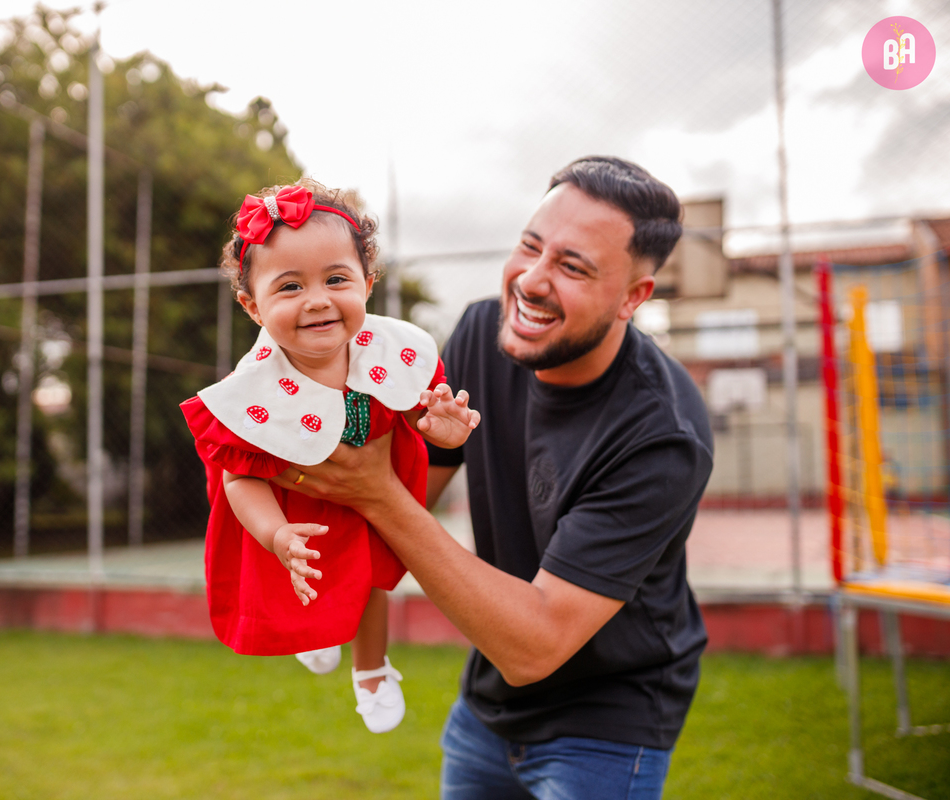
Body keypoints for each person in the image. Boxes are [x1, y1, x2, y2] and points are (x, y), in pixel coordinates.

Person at [273, 157, 713, 798]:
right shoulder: (484, 330)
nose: (531, 281)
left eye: (572, 266)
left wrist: (374, 491)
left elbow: (534, 645)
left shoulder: (660, 436)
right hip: (486, 707)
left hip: (606, 725)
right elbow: (395, 500)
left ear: (633, 298)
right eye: (531, 247)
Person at [180, 179, 480, 734]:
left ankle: (371, 668)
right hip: (300, 512)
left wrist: (447, 429)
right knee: (308, 579)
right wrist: (276, 534)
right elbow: (239, 479)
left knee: (371, 582)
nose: (317, 299)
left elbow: (421, 418)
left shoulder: (393, 351)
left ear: (367, 283)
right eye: (290, 286)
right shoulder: (253, 389)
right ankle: (312, 633)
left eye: (336, 279)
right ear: (252, 306)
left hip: (374, 496)